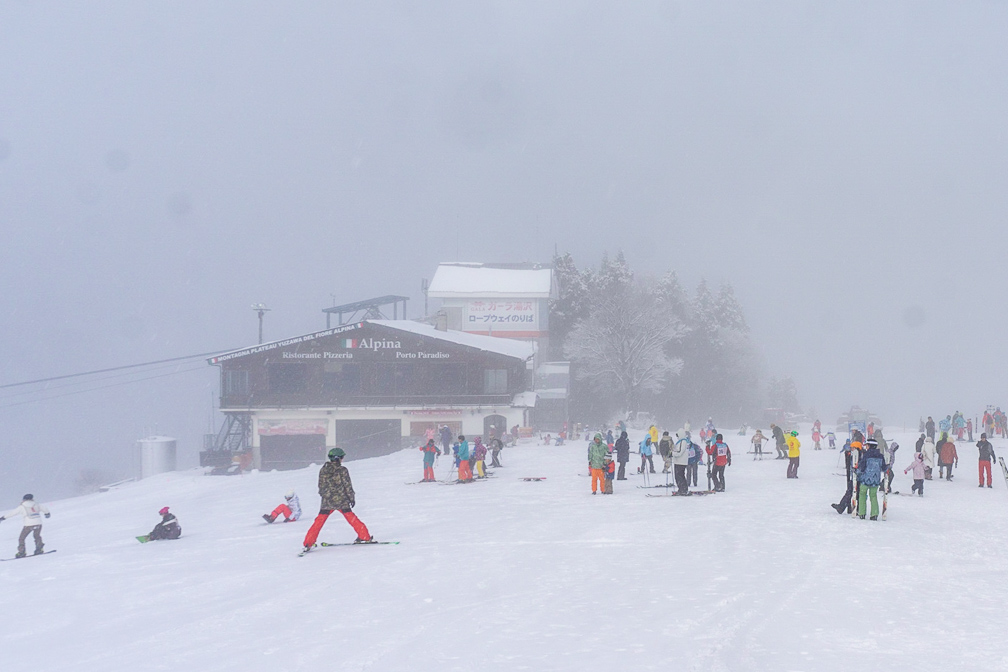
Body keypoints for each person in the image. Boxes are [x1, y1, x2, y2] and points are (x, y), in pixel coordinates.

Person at [302, 447, 372, 553]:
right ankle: (365, 537)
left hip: (327, 501)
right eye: (342, 457)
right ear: (338, 458)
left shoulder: (323, 469)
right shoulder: (342, 470)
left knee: (319, 522)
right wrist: (351, 498)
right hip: (341, 500)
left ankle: (308, 543)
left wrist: (325, 496)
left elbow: (320, 486)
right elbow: (347, 485)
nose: (343, 459)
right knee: (352, 519)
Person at [856, 439, 885, 520]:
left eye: (867, 445)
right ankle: (874, 514)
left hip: (865, 479)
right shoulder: (880, 456)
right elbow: (884, 468)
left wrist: (857, 472)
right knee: (873, 496)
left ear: (870, 446)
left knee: (862, 495)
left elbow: (861, 467)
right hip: (875, 480)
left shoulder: (866, 455)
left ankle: (862, 513)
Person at [832, 439, 859, 514]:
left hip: (857, 477)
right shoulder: (855, 454)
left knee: (850, 492)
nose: (851, 449)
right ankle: (847, 507)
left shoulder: (856, 455)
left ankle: (844, 507)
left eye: (853, 447)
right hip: (855, 477)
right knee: (850, 492)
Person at [672, 429, 691, 495]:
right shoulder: (680, 442)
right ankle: (682, 489)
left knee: (680, 476)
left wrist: (673, 454)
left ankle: (683, 489)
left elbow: (680, 452)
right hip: (678, 461)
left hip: (681, 461)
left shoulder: (683, 441)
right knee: (679, 476)